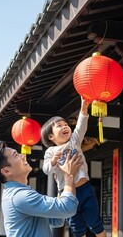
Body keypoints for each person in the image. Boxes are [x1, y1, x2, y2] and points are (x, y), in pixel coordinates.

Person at [0, 140, 82, 237]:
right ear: (6, 171)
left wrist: (63, 179)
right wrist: (68, 175)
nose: (23, 156)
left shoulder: (18, 194)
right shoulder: (19, 196)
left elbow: (57, 219)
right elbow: (68, 208)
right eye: (16, 155)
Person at [41, 97, 107, 237]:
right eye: (59, 125)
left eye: (66, 124)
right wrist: (53, 161)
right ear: (51, 136)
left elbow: (81, 126)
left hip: (85, 188)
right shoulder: (50, 152)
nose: (65, 126)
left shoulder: (74, 141)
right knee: (76, 226)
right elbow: (46, 170)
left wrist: (83, 109)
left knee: (94, 221)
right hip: (68, 193)